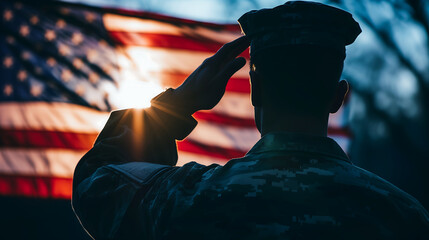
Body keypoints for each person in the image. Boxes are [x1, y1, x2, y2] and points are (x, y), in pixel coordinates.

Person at [72, 1, 429, 239]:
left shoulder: (185, 199)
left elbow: (95, 183)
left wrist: (177, 106)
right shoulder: (402, 216)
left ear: (255, 91)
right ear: (338, 97)